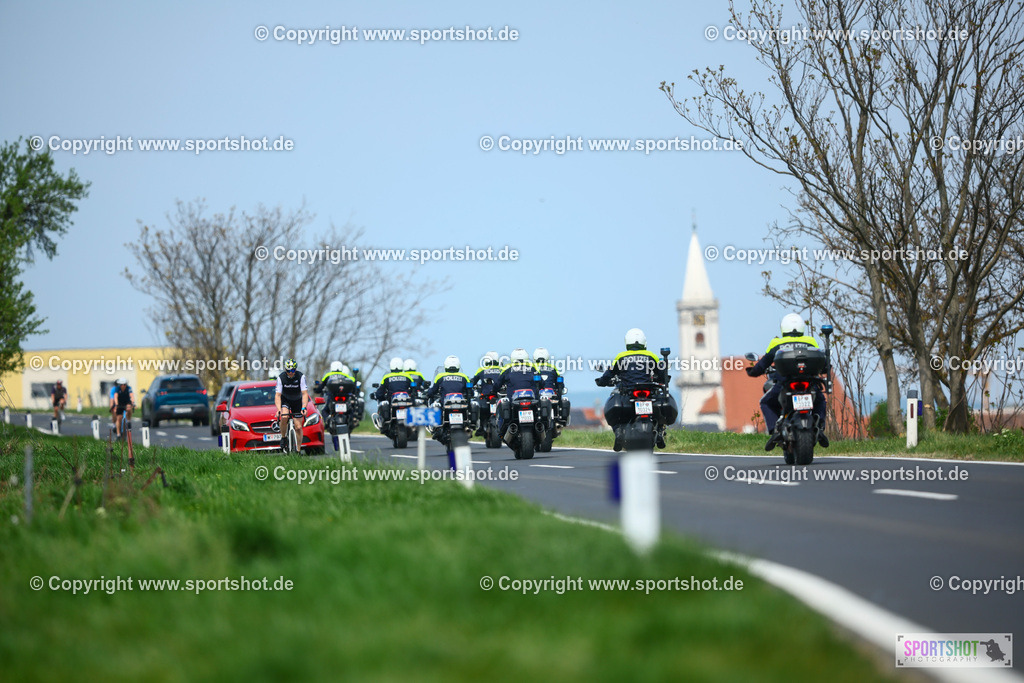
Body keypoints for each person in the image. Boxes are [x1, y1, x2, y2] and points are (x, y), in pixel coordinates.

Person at [745, 313, 828, 450]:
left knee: (765, 402)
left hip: (785, 384)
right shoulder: (811, 341)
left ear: (783, 328)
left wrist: (753, 372)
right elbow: (822, 363)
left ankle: (774, 430)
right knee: (820, 400)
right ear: (801, 327)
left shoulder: (776, 343)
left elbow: (764, 363)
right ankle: (820, 425)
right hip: (809, 383)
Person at [595, 328, 676, 451]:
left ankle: (618, 432)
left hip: (628, 391)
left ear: (627, 342)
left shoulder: (620, 357)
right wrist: (663, 379)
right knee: (660, 398)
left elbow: (609, 373)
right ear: (644, 342)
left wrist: (602, 381)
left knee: (615, 401)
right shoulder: (651, 356)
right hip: (649, 390)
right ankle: (660, 431)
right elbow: (661, 374)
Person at [494, 348, 540, 441]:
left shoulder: (507, 368)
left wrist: (493, 391)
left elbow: (497, 383)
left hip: (514, 402)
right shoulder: (533, 367)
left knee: (502, 407)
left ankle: (503, 432)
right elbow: (541, 383)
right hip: (532, 400)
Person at [426, 356, 473, 437]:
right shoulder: (464, 377)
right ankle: (470, 424)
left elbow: (433, 390)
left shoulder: (439, 376)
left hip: (446, 404)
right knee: (472, 405)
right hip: (461, 404)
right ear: (458, 365)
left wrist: (427, 394)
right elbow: (470, 392)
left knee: (434, 406)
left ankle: (436, 427)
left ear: (446, 365)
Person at [274, 358, 309, 450]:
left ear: (295, 369)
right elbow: (278, 395)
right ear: (285, 370)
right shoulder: (281, 378)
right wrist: (278, 410)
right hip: (285, 400)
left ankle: (298, 449)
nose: (290, 372)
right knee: (284, 416)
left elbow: (305, 393)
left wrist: (304, 407)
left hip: (297, 400)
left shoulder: (300, 376)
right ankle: (283, 437)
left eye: (293, 370)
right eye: (288, 371)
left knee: (298, 427)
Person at [533, 347, 570, 427]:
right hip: (552, 396)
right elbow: (560, 384)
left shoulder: (532, 368)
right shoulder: (553, 368)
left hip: (537, 396)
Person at [470, 351, 503, 435]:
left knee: (480, 409)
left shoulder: (481, 369)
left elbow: (473, 382)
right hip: (499, 396)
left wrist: (468, 386)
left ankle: (481, 427)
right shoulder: (502, 369)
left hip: (485, 397)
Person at [373, 357, 413, 427]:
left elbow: (380, 392)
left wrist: (378, 396)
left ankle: (384, 423)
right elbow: (413, 388)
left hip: (392, 401)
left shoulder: (386, 377)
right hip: (406, 400)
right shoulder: (407, 376)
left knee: (385, 406)